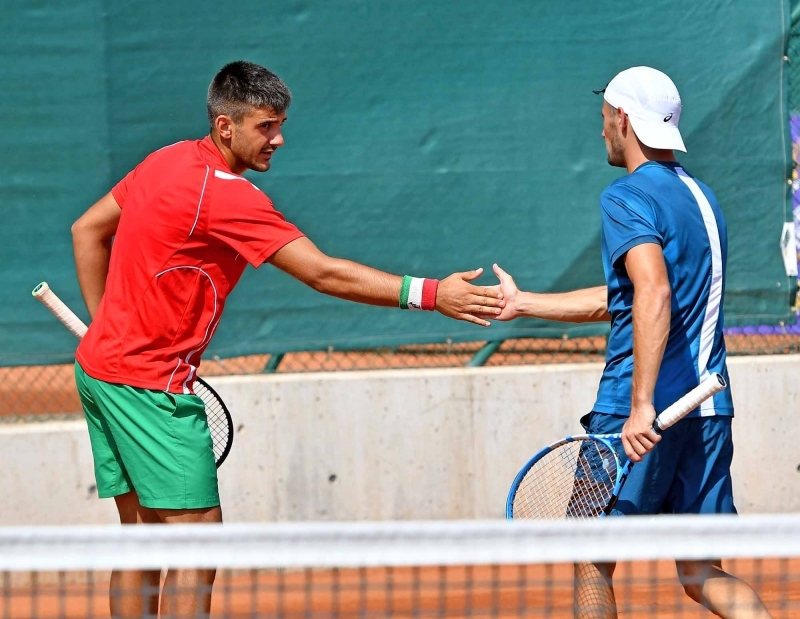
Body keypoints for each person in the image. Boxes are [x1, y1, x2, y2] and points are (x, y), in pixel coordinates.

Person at [71, 60, 505, 618]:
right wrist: (432, 293)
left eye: (280, 125)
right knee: (196, 542)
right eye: (265, 126)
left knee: (141, 541)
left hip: (98, 371)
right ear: (226, 126)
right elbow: (322, 273)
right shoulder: (228, 196)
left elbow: (86, 230)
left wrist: (104, 325)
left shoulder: (167, 158)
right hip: (150, 387)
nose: (278, 139)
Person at [489, 67, 771, 618]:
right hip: (707, 411)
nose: (601, 132)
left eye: (604, 119)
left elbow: (654, 291)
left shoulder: (626, 196)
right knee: (700, 573)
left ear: (623, 119)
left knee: (589, 557)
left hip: (633, 412)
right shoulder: (703, 198)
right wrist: (525, 304)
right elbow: (633, 294)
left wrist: (640, 405)